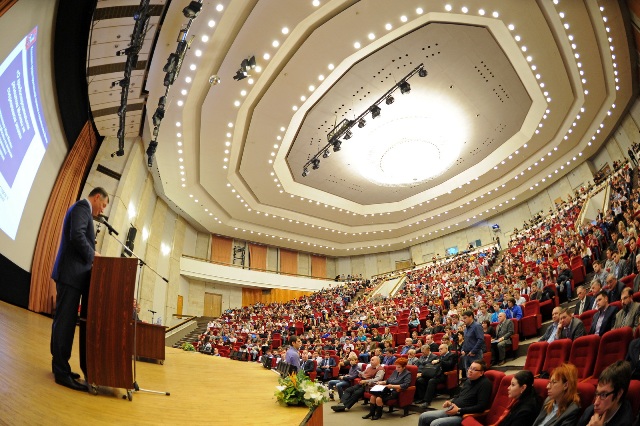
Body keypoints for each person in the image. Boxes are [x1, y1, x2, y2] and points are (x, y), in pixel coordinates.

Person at [50, 187, 109, 392]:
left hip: (71, 277)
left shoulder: (82, 209)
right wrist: (93, 255)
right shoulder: (83, 208)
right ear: (97, 197)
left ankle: (61, 366)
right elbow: (76, 236)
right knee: (64, 324)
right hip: (70, 276)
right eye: (103, 205)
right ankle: (61, 372)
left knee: (64, 323)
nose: (102, 210)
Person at [418, 360, 492, 426]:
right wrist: (451, 402)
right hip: (453, 410)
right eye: (470, 368)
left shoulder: (485, 384)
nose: (470, 371)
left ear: (481, 373)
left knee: (435, 424)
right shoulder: (468, 381)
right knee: (423, 416)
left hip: (464, 415)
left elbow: (481, 407)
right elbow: (459, 395)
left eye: (474, 369)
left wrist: (459, 410)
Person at [577, 360, 634, 426]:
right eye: (597, 394)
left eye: (603, 395)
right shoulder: (590, 411)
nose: (596, 403)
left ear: (619, 393)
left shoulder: (625, 421)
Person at [416, 343, 457, 409]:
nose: (439, 350)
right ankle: (422, 397)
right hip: (435, 373)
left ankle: (427, 401)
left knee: (432, 381)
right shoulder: (439, 356)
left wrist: (439, 361)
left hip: (444, 375)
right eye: (439, 349)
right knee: (420, 380)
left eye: (441, 349)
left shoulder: (452, 355)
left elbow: (450, 364)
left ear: (446, 349)